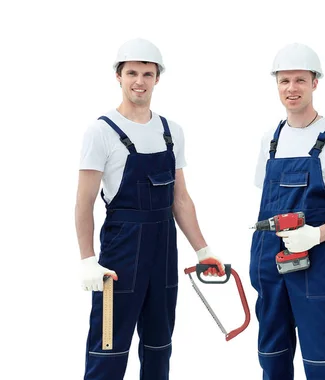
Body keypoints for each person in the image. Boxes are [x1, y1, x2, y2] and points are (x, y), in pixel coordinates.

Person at [75, 38, 226, 380]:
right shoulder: (100, 131)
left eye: (147, 73)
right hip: (120, 254)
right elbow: (83, 201)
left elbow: (181, 199)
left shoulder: (171, 131)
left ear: (158, 78)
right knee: (109, 346)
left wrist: (204, 250)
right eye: (132, 73)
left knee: (159, 345)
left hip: (163, 249)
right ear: (118, 76)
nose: (139, 81)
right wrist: (87, 259)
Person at [250, 43, 325, 379]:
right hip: (269, 266)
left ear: (315, 83)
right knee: (272, 359)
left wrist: (318, 234)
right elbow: (267, 203)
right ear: (276, 84)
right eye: (285, 81)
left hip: (315, 269)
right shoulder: (270, 141)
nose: (292, 88)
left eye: (300, 80)